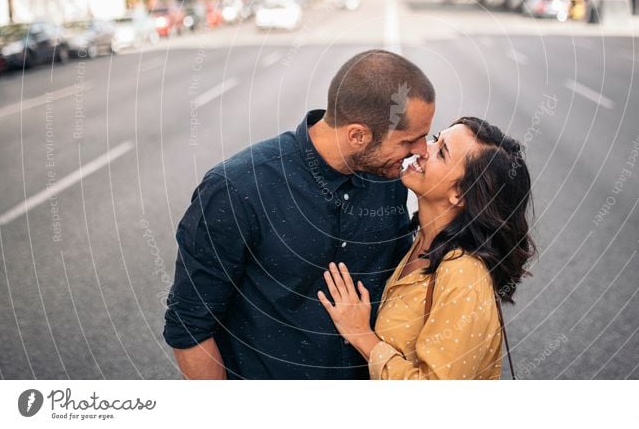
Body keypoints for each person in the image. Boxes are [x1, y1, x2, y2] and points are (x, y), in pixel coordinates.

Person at [163, 49, 435, 379]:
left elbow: (399, 285)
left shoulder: (387, 177)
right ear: (357, 135)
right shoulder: (237, 189)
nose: (421, 152)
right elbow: (190, 325)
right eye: (410, 141)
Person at [319, 117, 536, 379]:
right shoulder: (423, 244)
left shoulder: (464, 275)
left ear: (459, 193)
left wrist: (361, 335)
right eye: (436, 139)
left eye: (441, 152)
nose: (422, 149)